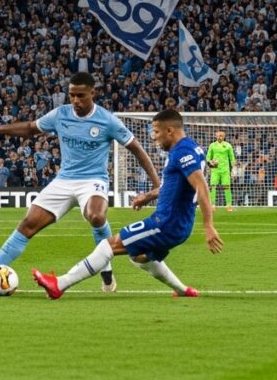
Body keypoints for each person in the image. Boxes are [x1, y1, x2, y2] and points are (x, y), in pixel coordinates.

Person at [0, 72, 160, 294]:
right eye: (72, 95)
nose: (75, 100)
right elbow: (30, 128)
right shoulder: (60, 114)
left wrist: (156, 185)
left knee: (96, 216)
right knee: (28, 224)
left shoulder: (107, 120)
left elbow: (137, 150)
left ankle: (106, 271)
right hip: (64, 180)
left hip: (93, 180)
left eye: (81, 96)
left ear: (92, 93)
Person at [33, 108, 224, 299]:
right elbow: (177, 186)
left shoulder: (182, 151)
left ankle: (59, 284)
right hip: (178, 224)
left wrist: (208, 225)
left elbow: (201, 186)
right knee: (139, 256)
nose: (154, 137)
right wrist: (149, 196)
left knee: (109, 245)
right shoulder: (191, 148)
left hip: (166, 223)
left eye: (157, 132)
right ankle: (183, 290)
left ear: (170, 131)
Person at [207, 130, 236, 212]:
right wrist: (210, 163)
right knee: (213, 187)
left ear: (224, 136)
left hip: (225, 170)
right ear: (216, 136)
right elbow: (208, 157)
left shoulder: (228, 146)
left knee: (227, 187)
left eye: (221, 135)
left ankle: (228, 205)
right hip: (215, 170)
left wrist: (234, 170)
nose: (220, 137)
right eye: (218, 135)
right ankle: (212, 205)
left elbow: (232, 158)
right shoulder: (212, 145)